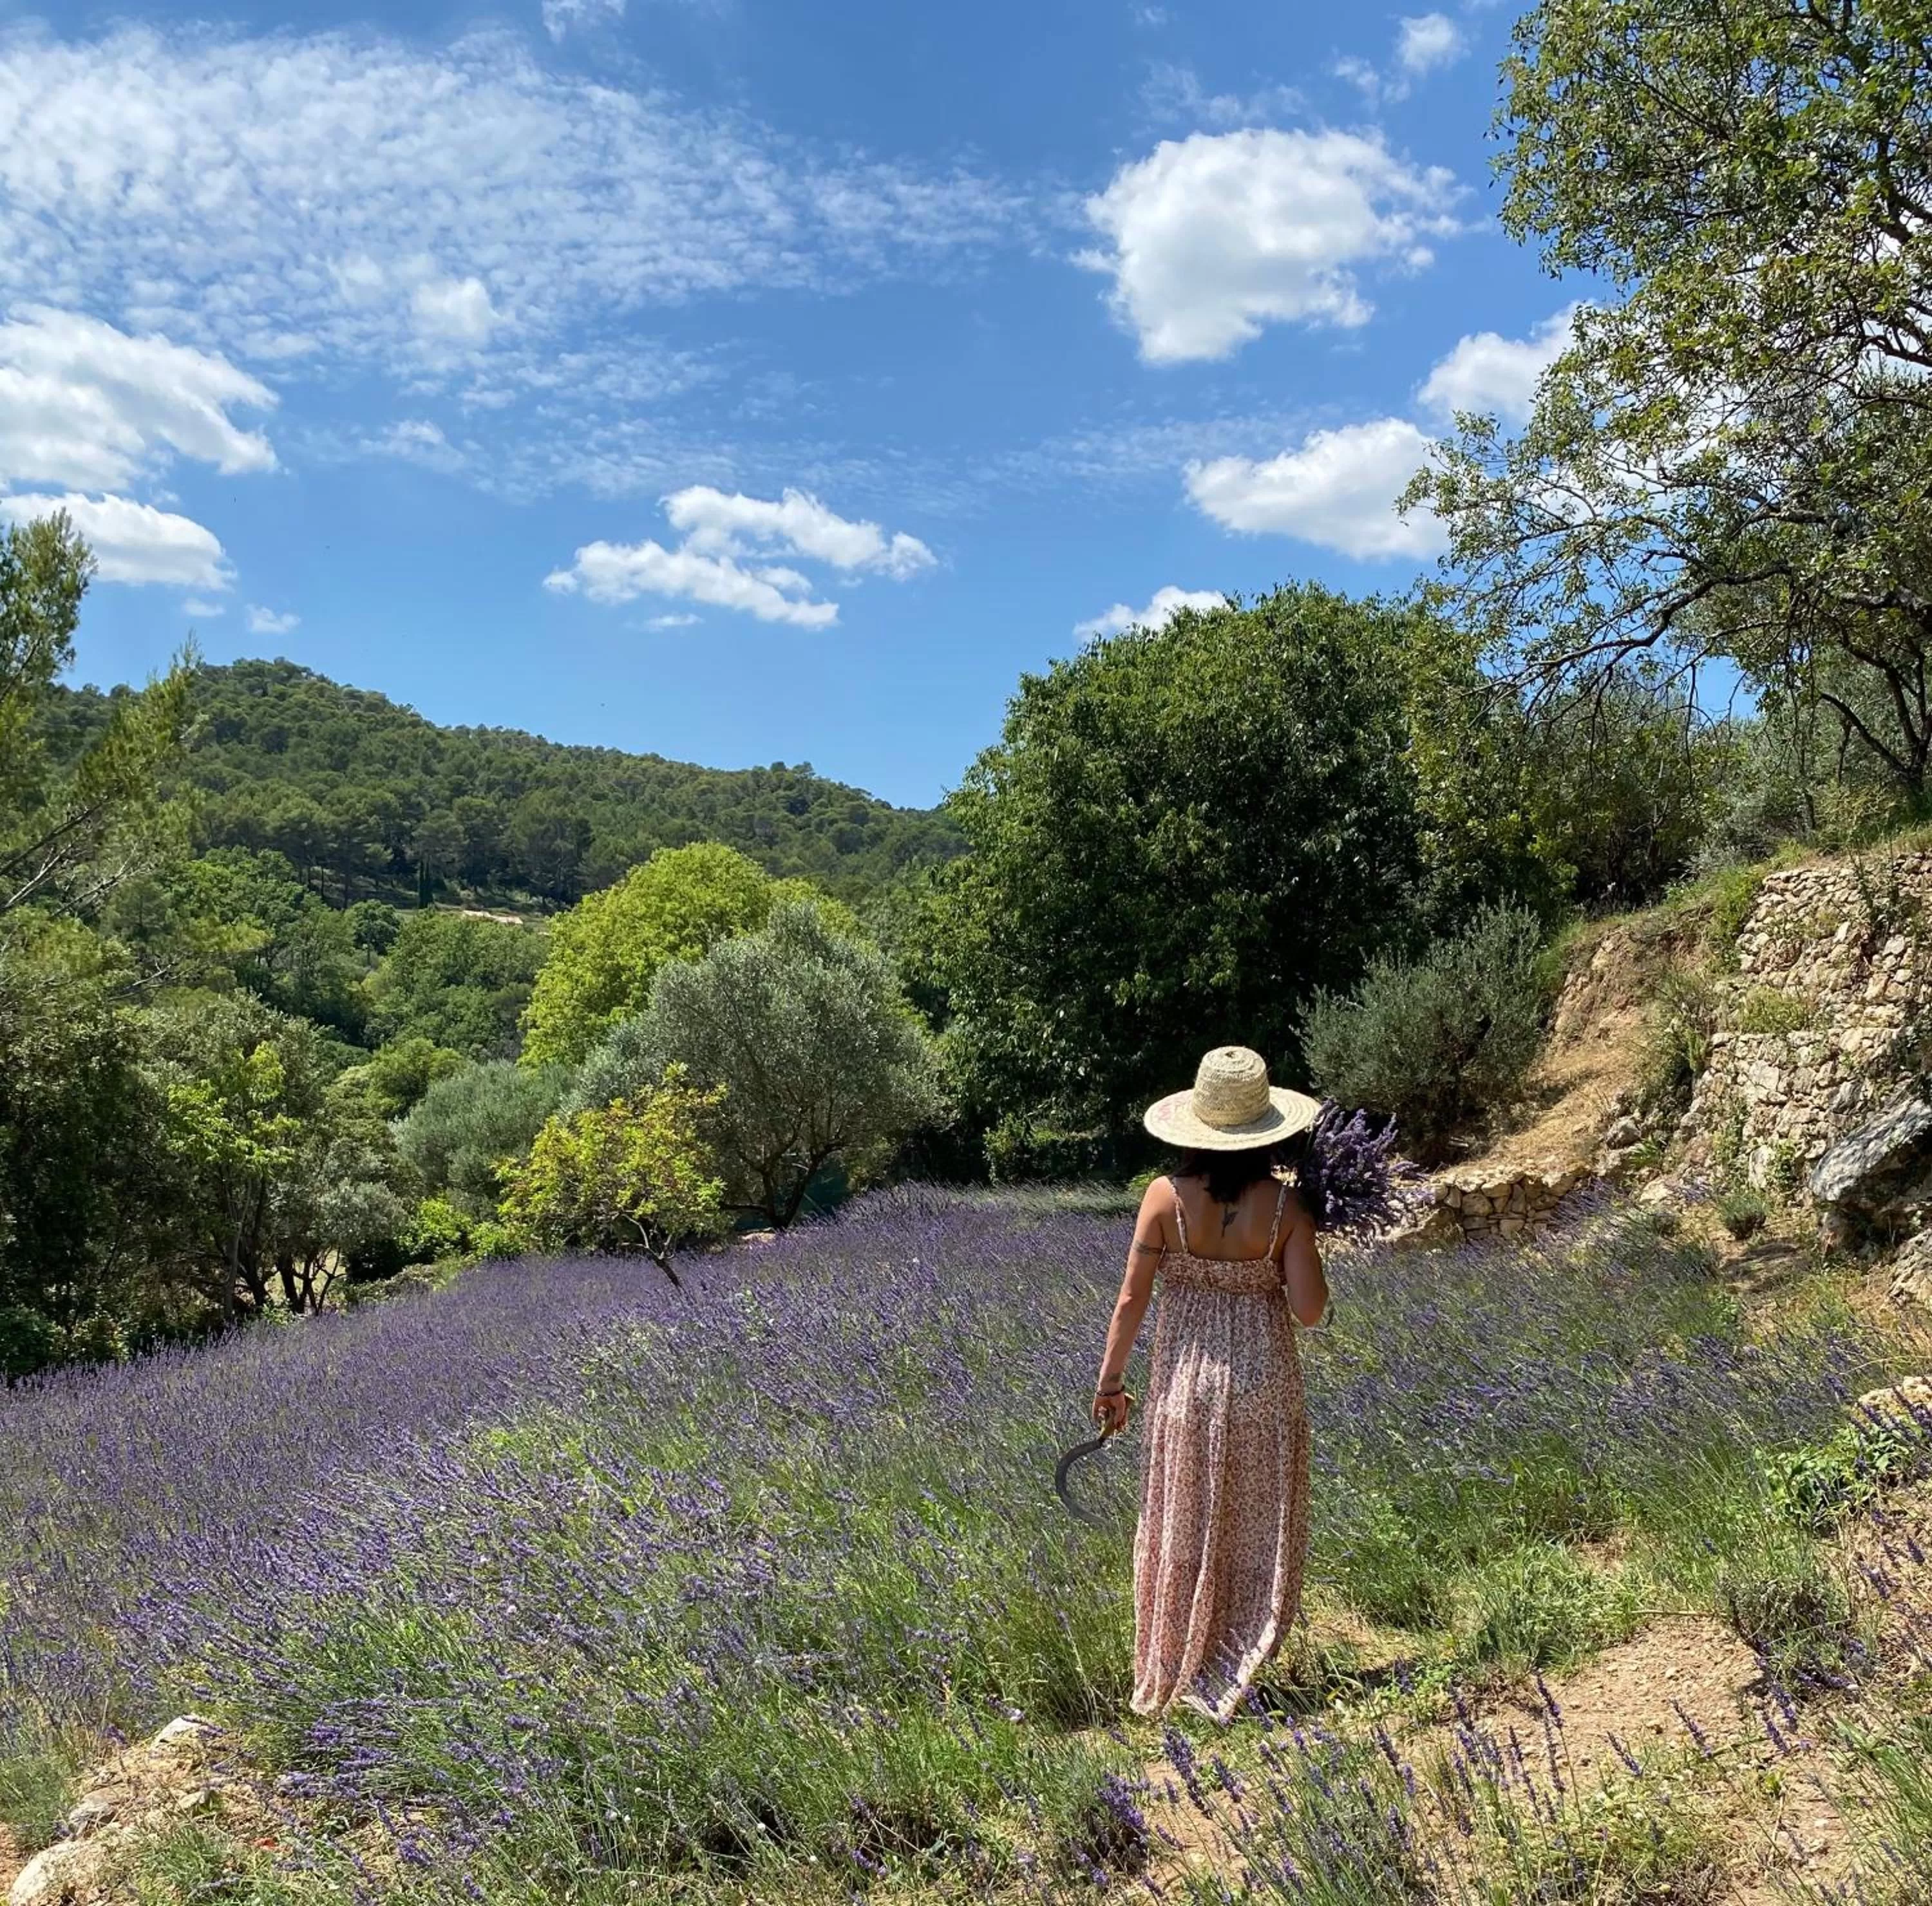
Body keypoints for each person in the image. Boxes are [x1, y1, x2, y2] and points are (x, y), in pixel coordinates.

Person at [1092, 1045, 1329, 1721]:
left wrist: (1112, 1384)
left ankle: (1179, 1662)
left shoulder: (1165, 1198)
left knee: (1186, 1523)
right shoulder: (1286, 1209)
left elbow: (1131, 1299)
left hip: (1184, 1389)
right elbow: (1310, 1313)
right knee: (1255, 1528)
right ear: (1267, 1130)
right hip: (1265, 1385)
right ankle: (1238, 1660)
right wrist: (1313, 1235)